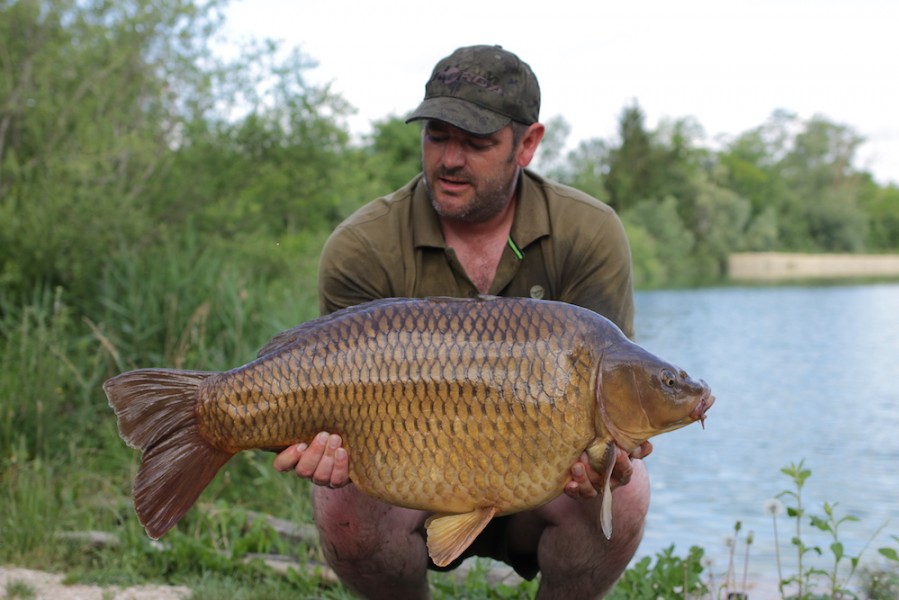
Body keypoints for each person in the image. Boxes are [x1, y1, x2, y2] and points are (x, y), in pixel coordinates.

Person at [273, 44, 652, 599]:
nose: (450, 159)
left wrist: (608, 461)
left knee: (629, 491)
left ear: (528, 144)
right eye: (437, 136)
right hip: (407, 476)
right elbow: (335, 386)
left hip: (542, 479)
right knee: (340, 500)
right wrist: (323, 443)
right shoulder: (363, 245)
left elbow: (610, 389)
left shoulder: (589, 234)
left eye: (476, 143)